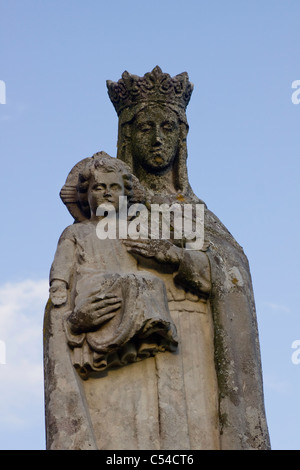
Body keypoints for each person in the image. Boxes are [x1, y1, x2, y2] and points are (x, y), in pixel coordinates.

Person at [49, 153, 178, 379]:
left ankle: (148, 330)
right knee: (131, 282)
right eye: (99, 187)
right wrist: (59, 285)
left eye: (114, 187)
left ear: (126, 195)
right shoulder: (76, 231)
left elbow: (162, 251)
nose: (107, 193)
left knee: (151, 282)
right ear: (85, 195)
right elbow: (63, 263)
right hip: (93, 287)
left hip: (128, 287)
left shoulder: (134, 231)